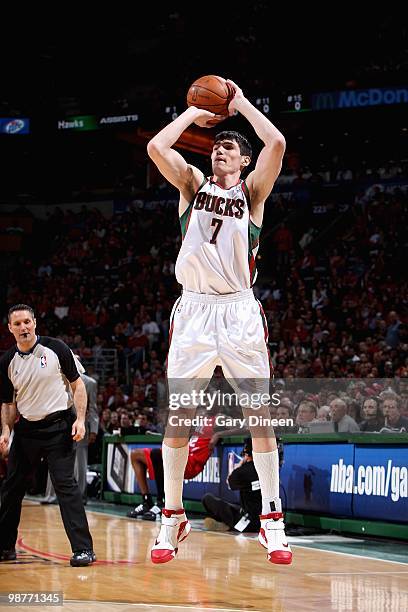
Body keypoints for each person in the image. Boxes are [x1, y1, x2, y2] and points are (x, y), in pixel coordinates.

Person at [146, 78, 291, 565]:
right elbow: (155, 146)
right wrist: (193, 113)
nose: (220, 151)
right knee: (180, 417)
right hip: (194, 311)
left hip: (238, 311)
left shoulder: (253, 194)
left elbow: (277, 143)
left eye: (228, 147)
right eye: (216, 147)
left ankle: (273, 518)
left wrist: (240, 105)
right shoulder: (190, 184)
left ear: (244, 160)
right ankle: (172, 516)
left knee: (259, 417)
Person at [0, 304, 96, 566]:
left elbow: (78, 385)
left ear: (35, 323)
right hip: (27, 430)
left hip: (59, 426)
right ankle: (5, 547)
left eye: (27, 322)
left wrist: (80, 419)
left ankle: (84, 549)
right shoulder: (6, 361)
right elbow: (8, 403)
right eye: (17, 324)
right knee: (11, 489)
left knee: (66, 486)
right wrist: (6, 431)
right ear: (10, 328)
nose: (23, 327)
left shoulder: (56, 349)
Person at [42, 359, 99, 505]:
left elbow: (93, 408)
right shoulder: (57, 379)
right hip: (59, 424)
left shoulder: (90, 383)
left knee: (80, 461)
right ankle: (51, 495)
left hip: (80, 423)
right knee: (54, 458)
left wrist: (94, 429)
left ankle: (80, 496)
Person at [202, 438, 261, 533]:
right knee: (236, 507)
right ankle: (226, 524)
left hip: (248, 523)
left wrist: (241, 463)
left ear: (246, 453)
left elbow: (229, 482)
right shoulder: (267, 469)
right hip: (265, 521)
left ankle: (226, 524)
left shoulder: (243, 471)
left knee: (207, 498)